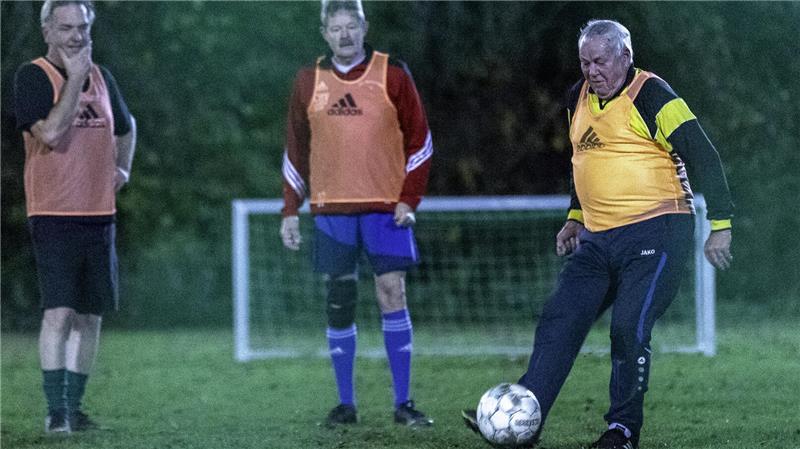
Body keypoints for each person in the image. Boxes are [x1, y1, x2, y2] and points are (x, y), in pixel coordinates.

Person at [463, 19, 733, 449]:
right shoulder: (577, 98)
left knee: (628, 327)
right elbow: (581, 161)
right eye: (585, 62)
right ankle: (524, 419)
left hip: (659, 231)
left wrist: (720, 225)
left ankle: (622, 432)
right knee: (560, 319)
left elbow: (704, 154)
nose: (592, 70)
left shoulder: (652, 96)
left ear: (625, 56)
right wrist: (574, 215)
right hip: (598, 238)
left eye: (600, 61)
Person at [279, 0, 434, 428]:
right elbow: (295, 148)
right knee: (339, 300)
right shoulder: (308, 80)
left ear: (365, 27)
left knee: (391, 294)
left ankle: (404, 404)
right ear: (324, 32)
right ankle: (345, 405)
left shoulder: (393, 73)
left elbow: (421, 141)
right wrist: (290, 209)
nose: (344, 35)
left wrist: (409, 199)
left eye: (352, 26)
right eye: (336, 28)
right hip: (331, 210)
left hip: (386, 209)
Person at [13, 0, 136, 434]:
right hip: (53, 213)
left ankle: (76, 408)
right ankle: (55, 412)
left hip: (99, 214)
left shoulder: (104, 78)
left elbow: (127, 125)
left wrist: (123, 168)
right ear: (47, 30)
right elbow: (49, 131)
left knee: (90, 316)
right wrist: (76, 77)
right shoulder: (32, 77)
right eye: (66, 28)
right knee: (59, 313)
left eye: (82, 26)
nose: (76, 36)